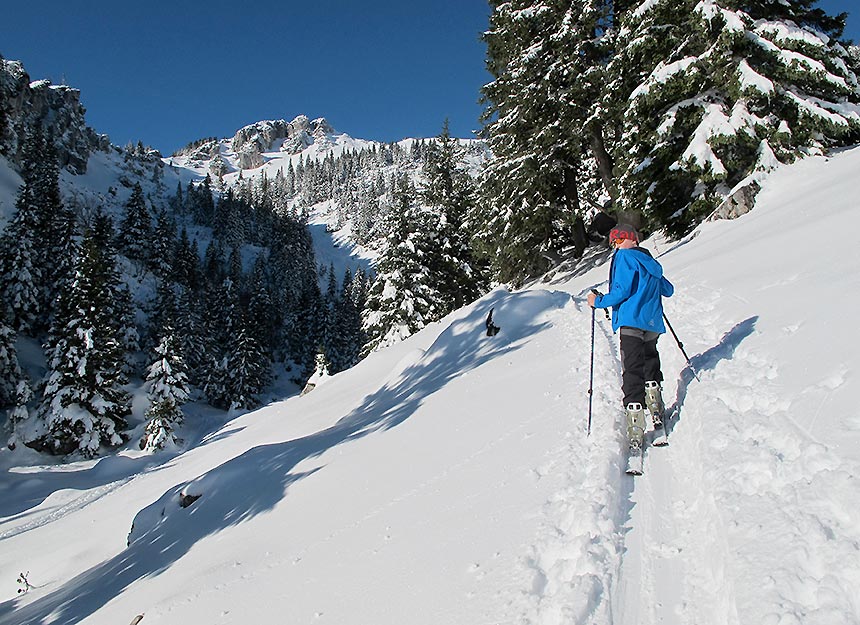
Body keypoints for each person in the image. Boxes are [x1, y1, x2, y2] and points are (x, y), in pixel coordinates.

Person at [587, 223, 674, 450]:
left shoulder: (625, 257)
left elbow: (622, 291)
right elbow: (668, 289)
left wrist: (598, 302)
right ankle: (655, 405)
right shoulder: (649, 260)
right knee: (650, 361)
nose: (615, 246)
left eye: (616, 241)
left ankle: (636, 424)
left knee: (632, 368)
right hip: (652, 322)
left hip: (631, 321)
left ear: (624, 239)